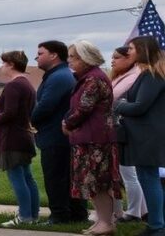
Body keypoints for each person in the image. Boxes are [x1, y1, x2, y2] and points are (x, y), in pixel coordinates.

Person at [62, 40, 119, 236]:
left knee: (98, 182)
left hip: (96, 139)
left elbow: (84, 108)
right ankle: (102, 221)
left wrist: (67, 124)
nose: (69, 61)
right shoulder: (86, 78)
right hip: (87, 137)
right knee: (91, 182)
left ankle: (106, 223)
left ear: (86, 58)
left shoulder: (94, 79)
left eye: (73, 57)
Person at [32, 39, 89, 224]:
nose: (36, 57)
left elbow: (45, 106)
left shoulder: (58, 77)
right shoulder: (61, 75)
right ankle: (77, 214)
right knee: (68, 178)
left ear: (54, 55)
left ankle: (60, 215)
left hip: (56, 137)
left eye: (40, 53)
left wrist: (30, 119)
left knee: (56, 178)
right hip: (60, 135)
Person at [115, 36, 165, 236]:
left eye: (132, 48)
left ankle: (156, 226)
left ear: (143, 50)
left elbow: (139, 106)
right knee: (149, 178)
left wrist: (117, 104)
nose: (129, 51)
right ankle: (157, 223)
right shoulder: (150, 74)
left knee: (149, 178)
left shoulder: (152, 75)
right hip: (147, 134)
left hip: (147, 135)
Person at [0, 51, 39, 226]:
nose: (1, 67)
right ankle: (32, 214)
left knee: (17, 177)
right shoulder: (28, 85)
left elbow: (10, 113)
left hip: (12, 138)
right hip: (24, 135)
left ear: (11, 64)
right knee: (27, 177)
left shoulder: (13, 86)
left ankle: (24, 216)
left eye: (3, 63)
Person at [109, 45, 147, 223]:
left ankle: (134, 212)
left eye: (117, 57)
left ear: (128, 59)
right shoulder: (121, 77)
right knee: (119, 173)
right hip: (116, 129)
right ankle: (138, 210)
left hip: (125, 130)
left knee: (128, 173)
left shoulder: (133, 76)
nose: (112, 60)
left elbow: (113, 98)